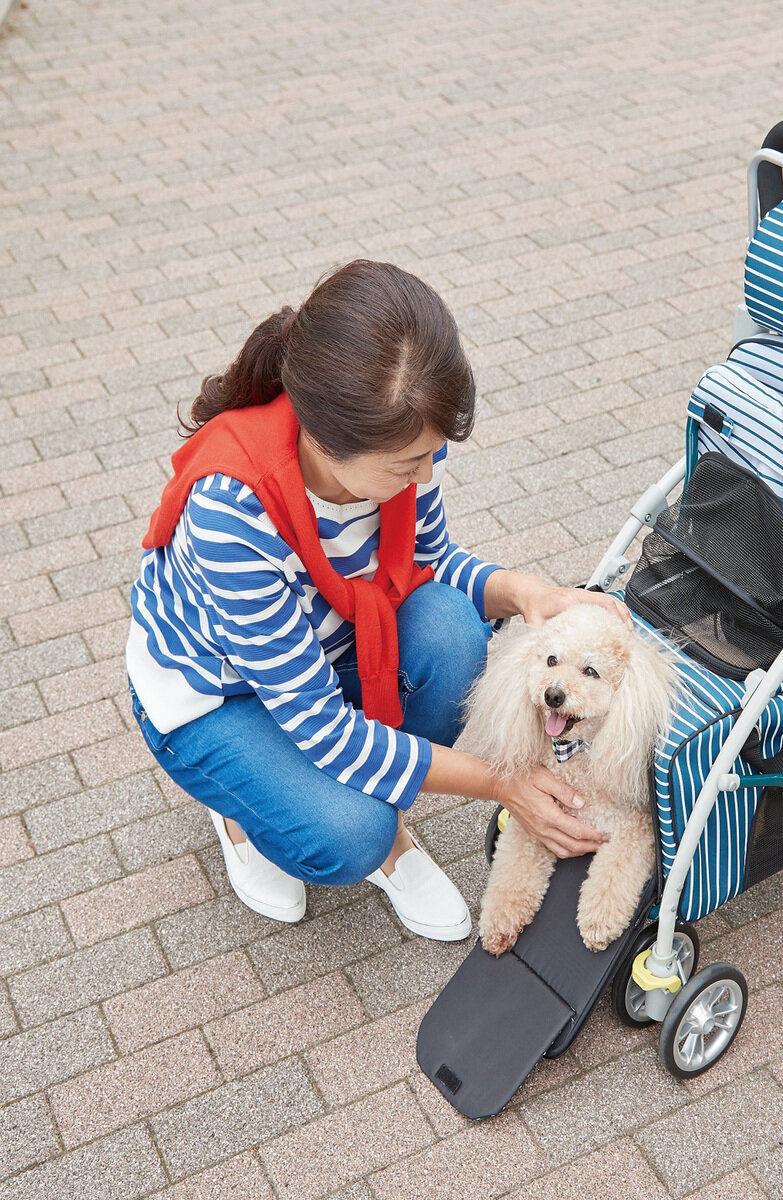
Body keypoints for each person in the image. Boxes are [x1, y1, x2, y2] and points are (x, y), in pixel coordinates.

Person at [127, 259, 625, 940]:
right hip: (220, 697)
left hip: (325, 652)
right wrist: (502, 781)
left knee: (454, 633)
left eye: (431, 454)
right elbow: (321, 725)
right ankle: (248, 808)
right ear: (330, 444)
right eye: (408, 466)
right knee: (347, 835)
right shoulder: (233, 514)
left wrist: (521, 592)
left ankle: (369, 810)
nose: (426, 473)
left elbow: (432, 562)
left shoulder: (402, 441)